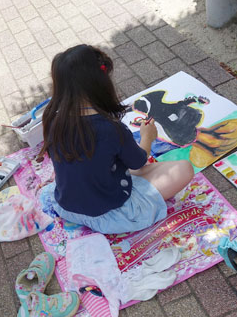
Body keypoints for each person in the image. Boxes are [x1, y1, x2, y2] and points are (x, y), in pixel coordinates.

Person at [39, 44, 195, 234]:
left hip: (66, 206)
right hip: (112, 215)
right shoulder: (110, 129)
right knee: (184, 168)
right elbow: (138, 162)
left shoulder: (53, 119)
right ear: (100, 84)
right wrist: (147, 137)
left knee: (121, 164)